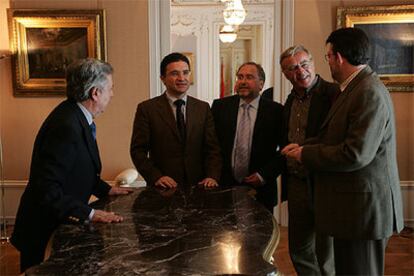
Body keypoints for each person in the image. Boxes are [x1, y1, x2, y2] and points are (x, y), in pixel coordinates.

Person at [283, 28, 404, 275]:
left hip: (363, 210)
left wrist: (304, 155)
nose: (327, 63)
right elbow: (333, 136)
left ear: (338, 57)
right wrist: (305, 145)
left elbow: (355, 154)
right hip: (353, 208)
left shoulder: (367, 91)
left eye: (327, 57)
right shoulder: (352, 88)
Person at [11, 58, 133, 272]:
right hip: (43, 229)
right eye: (111, 88)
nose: (112, 94)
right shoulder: (66, 125)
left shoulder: (76, 115)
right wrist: (91, 213)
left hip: (56, 221)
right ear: (95, 93)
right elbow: (47, 188)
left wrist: (107, 189)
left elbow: (79, 170)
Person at [278, 45, 338, 275]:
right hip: (296, 184)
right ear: (285, 74)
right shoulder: (289, 102)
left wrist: (305, 147)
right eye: (292, 68)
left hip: (325, 181)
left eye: (304, 64)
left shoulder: (334, 94)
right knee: (299, 249)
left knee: (327, 252)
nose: (300, 71)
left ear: (313, 63)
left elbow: (334, 136)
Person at [130, 52, 221, 189]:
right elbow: (138, 151)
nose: (181, 78)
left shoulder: (203, 108)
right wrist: (156, 177)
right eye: (174, 73)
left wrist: (212, 176)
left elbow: (212, 148)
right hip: (163, 188)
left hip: (200, 187)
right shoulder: (147, 109)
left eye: (185, 73)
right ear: (163, 78)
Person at [211, 62, 284, 213]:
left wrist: (263, 175)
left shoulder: (276, 111)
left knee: (259, 236)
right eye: (240, 77)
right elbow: (211, 145)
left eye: (249, 77)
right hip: (224, 187)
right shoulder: (220, 107)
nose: (243, 81)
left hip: (261, 189)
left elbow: (284, 151)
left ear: (261, 84)